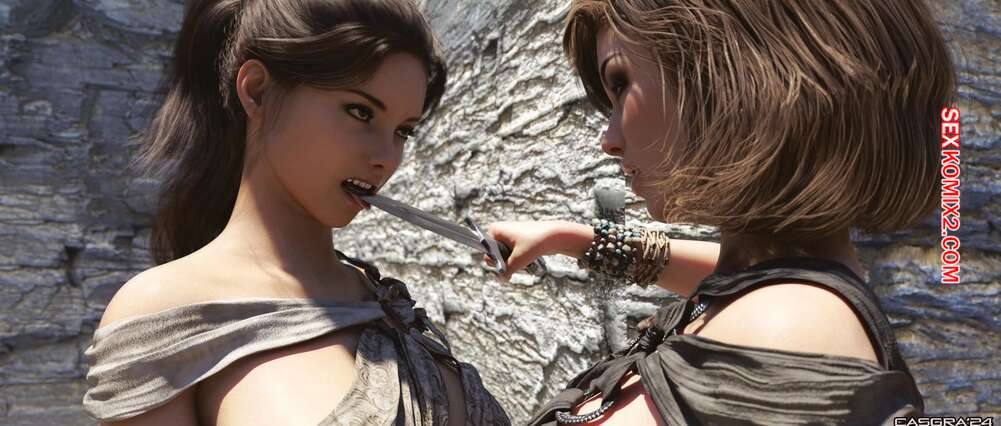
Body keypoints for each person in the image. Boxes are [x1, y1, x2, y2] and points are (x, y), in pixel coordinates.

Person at [484, 0, 956, 424]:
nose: (608, 139)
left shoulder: (786, 331)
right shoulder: (786, 283)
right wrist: (569, 239)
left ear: (735, 72)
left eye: (621, 82)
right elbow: (738, 276)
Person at [81, 0, 509, 425]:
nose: (385, 157)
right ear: (257, 90)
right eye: (360, 112)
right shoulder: (162, 312)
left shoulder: (386, 302)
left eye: (402, 131)